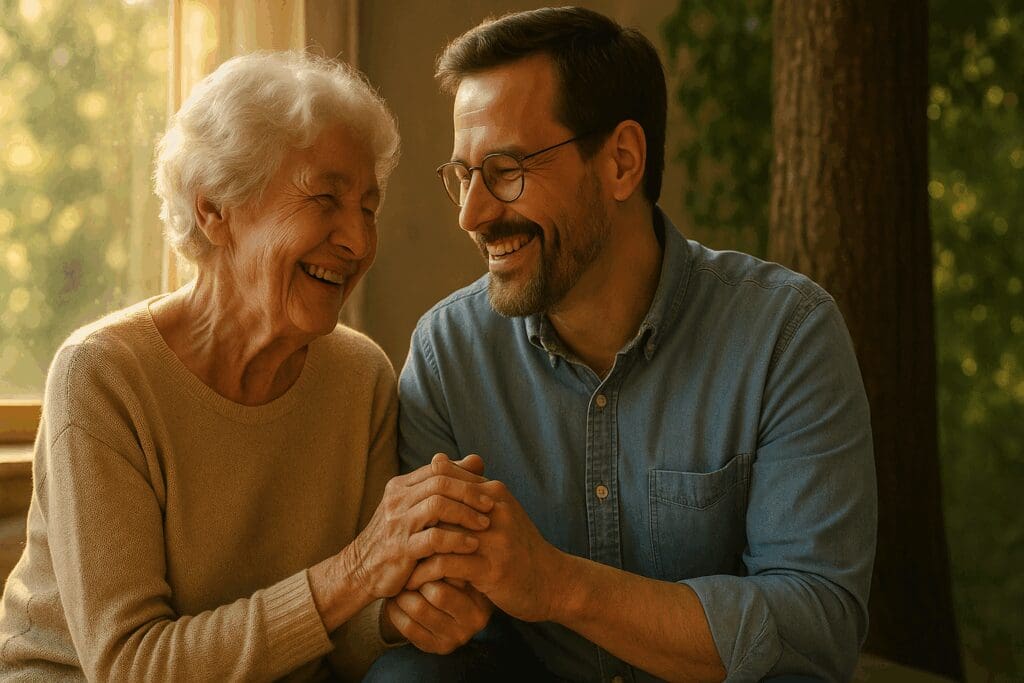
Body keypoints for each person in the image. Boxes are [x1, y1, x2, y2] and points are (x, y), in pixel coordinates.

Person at [375, 7, 877, 682]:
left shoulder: (786, 335)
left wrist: (556, 583)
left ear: (621, 161)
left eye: (506, 168)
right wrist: (428, 604)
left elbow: (816, 626)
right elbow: (436, 606)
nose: (473, 213)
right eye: (463, 174)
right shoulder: (447, 356)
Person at [0, 51, 494, 681]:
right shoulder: (102, 376)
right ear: (214, 210)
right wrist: (355, 572)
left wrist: (401, 616)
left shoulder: (359, 376)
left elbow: (338, 633)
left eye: (368, 208)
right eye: (325, 198)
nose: (357, 241)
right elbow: (130, 666)